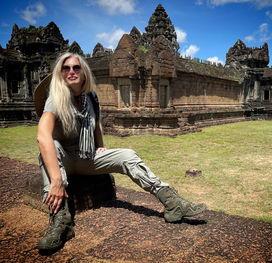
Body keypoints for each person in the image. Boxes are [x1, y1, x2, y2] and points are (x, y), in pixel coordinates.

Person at [35, 52, 206, 252]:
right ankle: (61, 222)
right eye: (66, 68)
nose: (71, 71)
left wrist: (100, 144)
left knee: (128, 155)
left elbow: (95, 122)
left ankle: (172, 202)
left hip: (86, 156)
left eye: (76, 67)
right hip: (62, 156)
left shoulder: (90, 97)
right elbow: (43, 136)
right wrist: (56, 180)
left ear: (84, 72)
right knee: (50, 148)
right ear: (61, 73)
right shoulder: (56, 99)